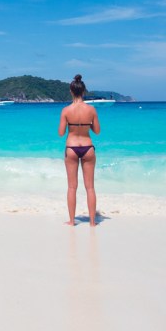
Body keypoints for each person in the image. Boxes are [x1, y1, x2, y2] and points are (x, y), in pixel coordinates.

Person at [58, 74, 100, 226]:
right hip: (88, 148)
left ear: (71, 91)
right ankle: (93, 222)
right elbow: (97, 131)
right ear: (84, 91)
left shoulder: (66, 110)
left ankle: (71, 221)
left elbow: (61, 133)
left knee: (71, 187)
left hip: (72, 148)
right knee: (90, 187)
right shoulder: (92, 109)